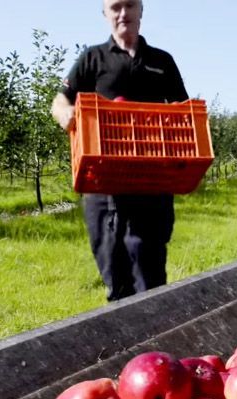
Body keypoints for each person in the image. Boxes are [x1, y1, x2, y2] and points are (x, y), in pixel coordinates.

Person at [51, 0, 189, 301]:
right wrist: (67, 115)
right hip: (104, 185)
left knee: (151, 274)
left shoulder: (161, 61)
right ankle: (124, 337)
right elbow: (60, 101)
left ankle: (156, 341)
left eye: (130, 5)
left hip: (151, 182)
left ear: (141, 11)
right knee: (114, 275)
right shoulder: (93, 58)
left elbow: (182, 109)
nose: (123, 13)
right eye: (115, 7)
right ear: (106, 14)